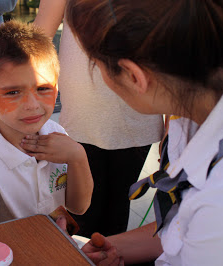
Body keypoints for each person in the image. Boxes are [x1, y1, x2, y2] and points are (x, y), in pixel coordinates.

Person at [65, 0, 223, 265]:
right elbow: (183, 225)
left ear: (134, 76)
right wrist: (115, 247)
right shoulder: (201, 107)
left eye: (95, 65)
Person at [0, 20, 93, 233]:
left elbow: (79, 207)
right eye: (13, 92)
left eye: (43, 88)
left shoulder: (58, 135)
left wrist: (78, 157)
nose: (33, 105)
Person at [33, 0, 164, 238]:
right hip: (81, 115)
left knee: (116, 211)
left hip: (139, 114)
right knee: (78, 212)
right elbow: (38, 38)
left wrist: (173, 125)